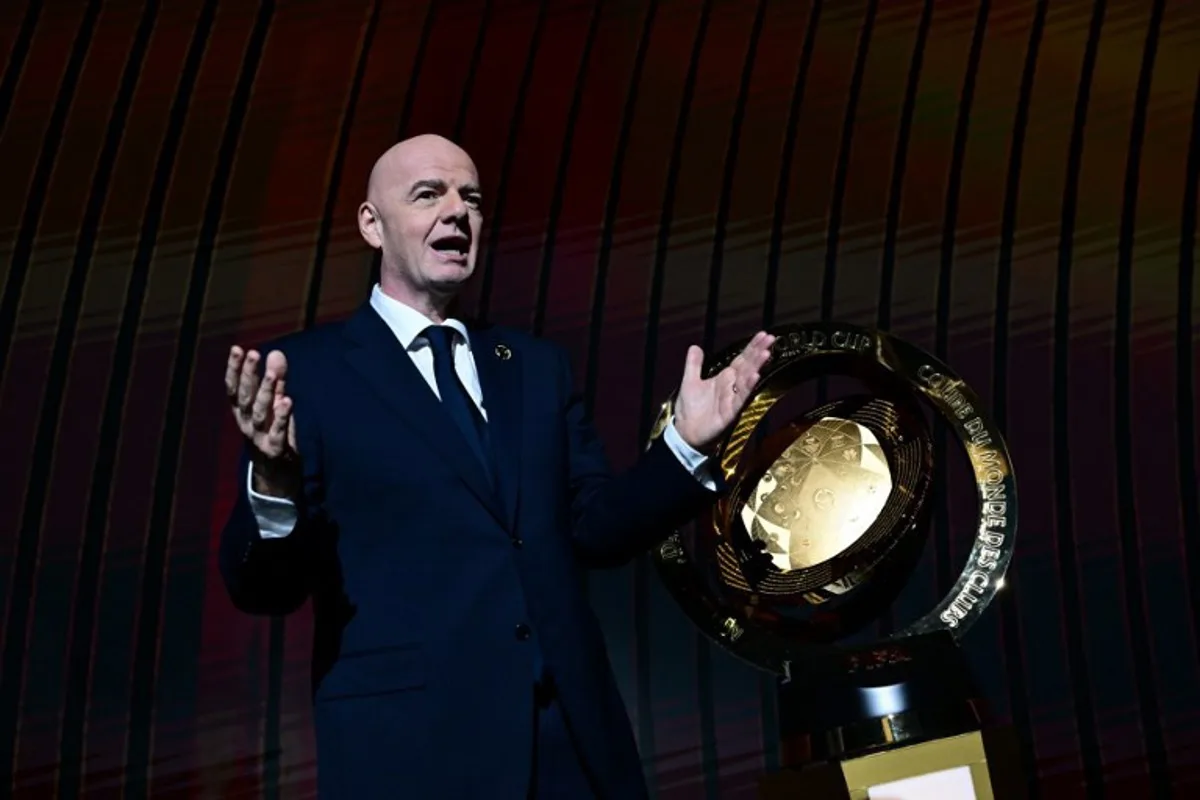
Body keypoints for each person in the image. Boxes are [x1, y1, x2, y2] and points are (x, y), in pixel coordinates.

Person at [219, 133, 776, 798]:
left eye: (471, 199)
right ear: (372, 225)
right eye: (428, 194)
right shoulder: (305, 372)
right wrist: (274, 481)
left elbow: (594, 528)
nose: (456, 212)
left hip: (570, 745)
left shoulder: (535, 367)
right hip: (413, 753)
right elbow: (263, 589)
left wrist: (685, 444)